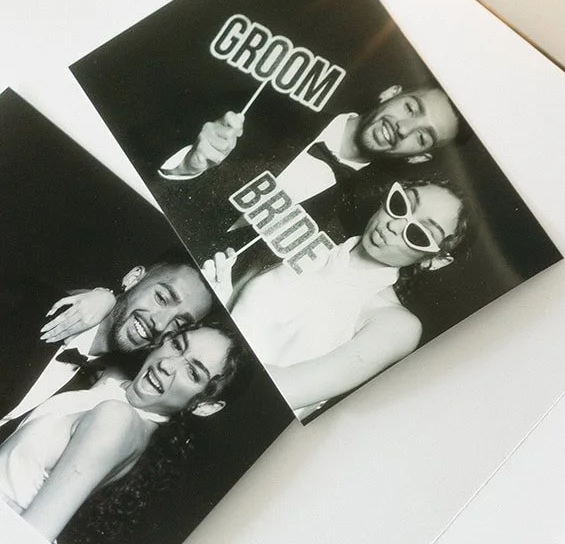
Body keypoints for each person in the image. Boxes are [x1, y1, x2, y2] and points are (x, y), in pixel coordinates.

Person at [204, 172, 470, 417]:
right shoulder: (303, 236)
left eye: (420, 233)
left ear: (435, 261)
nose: (395, 225)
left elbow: (285, 392)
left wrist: (221, 325)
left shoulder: (396, 324)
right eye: (401, 204)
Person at [0, 323, 241, 544]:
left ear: (205, 405)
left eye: (193, 373)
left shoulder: (118, 420)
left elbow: (32, 541)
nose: (167, 365)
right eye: (177, 345)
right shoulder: (119, 387)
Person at [4, 253, 215, 424]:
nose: (160, 324)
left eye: (178, 324)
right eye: (161, 298)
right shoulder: (21, 301)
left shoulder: (105, 392)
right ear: (133, 279)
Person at [158, 83, 464, 199]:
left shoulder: (360, 215)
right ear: (390, 93)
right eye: (411, 108)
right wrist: (189, 165)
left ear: (419, 157)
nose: (403, 128)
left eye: (423, 136)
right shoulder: (265, 108)